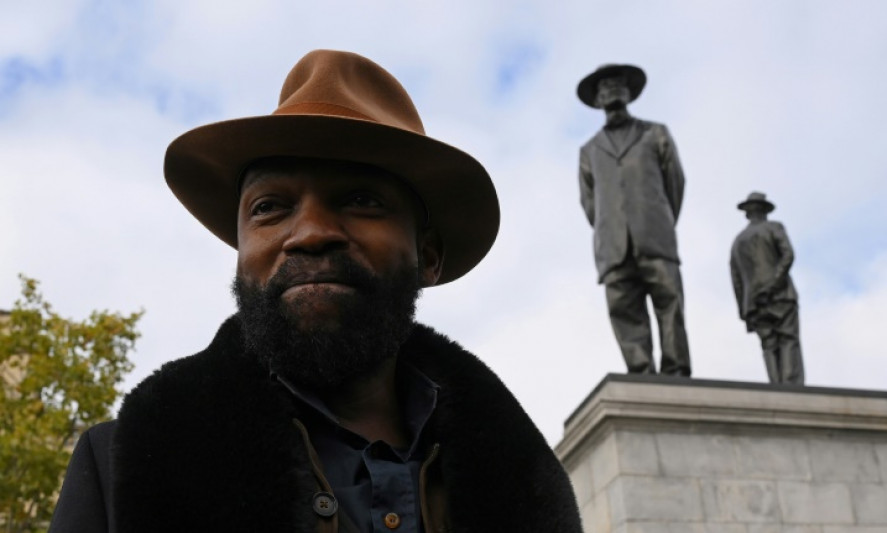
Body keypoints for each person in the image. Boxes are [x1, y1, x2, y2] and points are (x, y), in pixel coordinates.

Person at [49, 50, 582, 533]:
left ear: (429, 256)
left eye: (360, 199)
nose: (308, 233)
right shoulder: (119, 467)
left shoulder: (528, 489)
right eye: (269, 208)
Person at [577, 63, 691, 376]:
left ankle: (676, 370)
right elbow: (589, 202)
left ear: (629, 92)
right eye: (603, 87)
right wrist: (611, 227)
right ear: (597, 100)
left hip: (655, 235)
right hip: (613, 245)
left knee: (670, 302)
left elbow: (675, 184)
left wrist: (659, 219)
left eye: (617, 84)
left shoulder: (656, 133)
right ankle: (641, 372)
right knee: (624, 310)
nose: (611, 90)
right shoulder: (589, 150)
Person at [730, 192, 804, 385]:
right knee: (788, 338)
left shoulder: (738, 242)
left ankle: (775, 384)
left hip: (754, 304)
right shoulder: (774, 228)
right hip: (780, 295)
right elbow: (788, 255)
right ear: (765, 211)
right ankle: (791, 385)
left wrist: (744, 311)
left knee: (768, 344)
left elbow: (736, 281)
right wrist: (774, 284)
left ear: (747, 213)